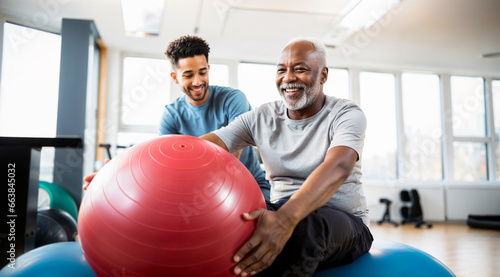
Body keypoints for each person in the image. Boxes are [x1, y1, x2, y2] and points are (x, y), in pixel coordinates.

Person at [200, 37, 373, 276]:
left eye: (300, 69)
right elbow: (212, 145)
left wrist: (285, 219)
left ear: (323, 76)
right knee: (233, 224)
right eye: (282, 70)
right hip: (280, 209)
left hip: (343, 222)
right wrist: (172, 156)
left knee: (305, 229)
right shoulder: (262, 117)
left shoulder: (346, 114)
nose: (288, 78)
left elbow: (340, 166)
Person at [84, 35, 271, 202]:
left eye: (202, 72)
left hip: (249, 187)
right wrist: (116, 176)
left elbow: (230, 153)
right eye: (188, 75)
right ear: (175, 77)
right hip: (199, 195)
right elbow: (162, 164)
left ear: (208, 69)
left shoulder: (233, 99)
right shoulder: (171, 115)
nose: (197, 82)